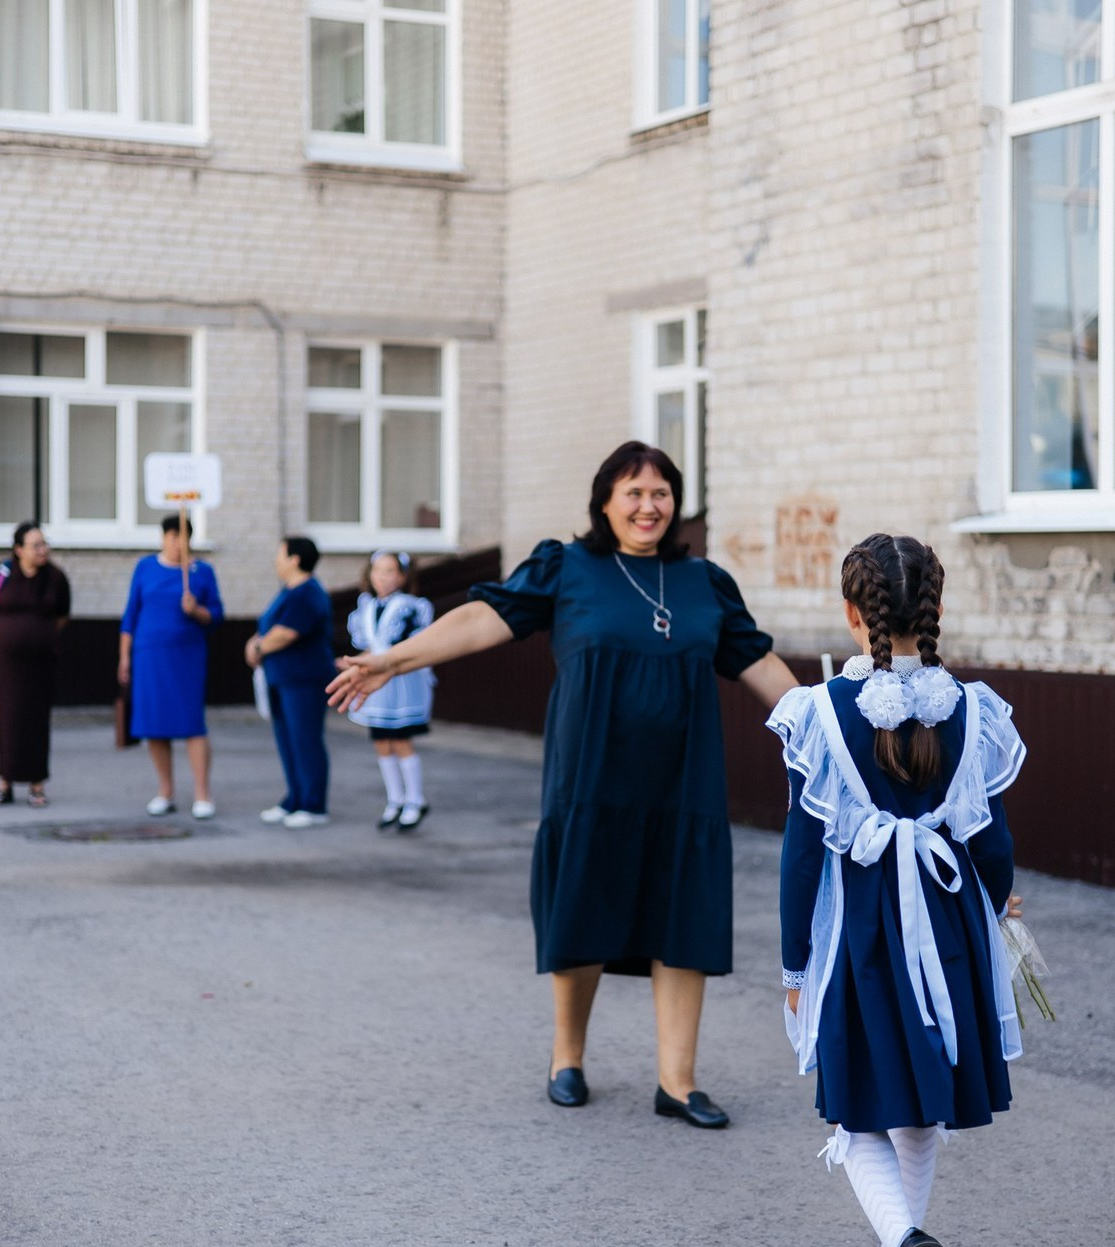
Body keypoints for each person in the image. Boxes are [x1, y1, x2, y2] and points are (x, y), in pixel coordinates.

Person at [327, 441, 799, 1126]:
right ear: (604, 501)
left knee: (684, 916)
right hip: (590, 779)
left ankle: (678, 1082)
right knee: (584, 907)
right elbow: (481, 619)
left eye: (661, 492)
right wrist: (393, 662)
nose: (648, 505)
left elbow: (759, 666)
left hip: (684, 786)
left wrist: (831, 733)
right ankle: (567, 1057)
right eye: (633, 492)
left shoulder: (704, 584)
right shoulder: (568, 567)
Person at [768, 533, 1028, 1247]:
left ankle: (901, 1246)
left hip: (863, 934)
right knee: (919, 1100)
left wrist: (795, 961)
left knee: (857, 1105)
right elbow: (993, 844)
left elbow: (801, 855)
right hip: (947, 927)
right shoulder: (972, 711)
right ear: (938, 608)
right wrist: (1001, 910)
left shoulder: (822, 711)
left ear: (854, 613)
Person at [118, 515, 224, 819]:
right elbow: (130, 615)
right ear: (163, 538)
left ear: (190, 539)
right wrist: (124, 656)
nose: (177, 543)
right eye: (171, 536)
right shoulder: (145, 568)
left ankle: (203, 793)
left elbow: (216, 615)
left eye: (182, 537)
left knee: (192, 723)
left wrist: (197, 610)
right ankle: (166, 791)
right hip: (148, 656)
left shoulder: (201, 572)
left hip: (185, 657)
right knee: (155, 725)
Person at [0, 521, 71, 807]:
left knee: (37, 718)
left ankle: (36, 784)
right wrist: (2, 634)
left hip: (41, 661)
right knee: (9, 718)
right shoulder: (3, 573)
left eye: (45, 544)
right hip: (8, 662)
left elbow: (62, 615)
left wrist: (40, 635)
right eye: (36, 545)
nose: (43, 550)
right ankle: (5, 783)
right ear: (19, 550)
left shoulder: (55, 577)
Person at [245, 537, 336, 830]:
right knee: (288, 741)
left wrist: (258, 648)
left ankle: (314, 805)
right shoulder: (289, 591)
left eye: (280, 554)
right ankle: (294, 799)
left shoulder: (308, 593)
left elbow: (287, 633)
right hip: (282, 679)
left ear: (295, 559)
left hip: (304, 680)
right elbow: (272, 628)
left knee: (305, 739)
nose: (276, 560)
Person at [343, 551, 435, 831]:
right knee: (382, 741)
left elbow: (414, 644)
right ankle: (394, 799)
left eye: (390, 571)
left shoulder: (412, 607)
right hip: (377, 686)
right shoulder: (365, 608)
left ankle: (415, 799)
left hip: (402, 681)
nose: (383, 577)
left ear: (402, 576)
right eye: (377, 571)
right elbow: (369, 645)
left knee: (401, 739)